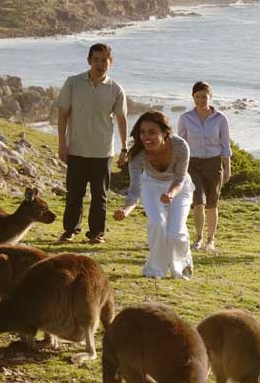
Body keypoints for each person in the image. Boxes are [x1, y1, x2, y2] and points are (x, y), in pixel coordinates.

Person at [55, 43, 128, 244]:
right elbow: (62, 114)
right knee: (74, 194)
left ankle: (97, 233)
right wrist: (62, 144)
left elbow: (122, 119)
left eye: (104, 60)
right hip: (76, 149)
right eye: (96, 59)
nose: (100, 63)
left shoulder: (116, 89)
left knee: (100, 196)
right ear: (89, 61)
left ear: (110, 63)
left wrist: (124, 148)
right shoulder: (73, 82)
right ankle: (70, 230)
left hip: (103, 152)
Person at [113, 111, 195, 279]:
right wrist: (126, 211)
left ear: (165, 133)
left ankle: (182, 269)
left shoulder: (180, 146)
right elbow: (135, 189)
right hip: (151, 185)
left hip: (178, 187)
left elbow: (179, 179)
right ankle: (155, 270)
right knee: (157, 224)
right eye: (142, 132)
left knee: (175, 232)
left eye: (152, 132)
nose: (146, 137)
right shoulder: (137, 155)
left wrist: (170, 194)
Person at [177, 81, 232, 252]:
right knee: (198, 202)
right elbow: (180, 144)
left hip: (213, 163)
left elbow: (225, 145)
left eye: (204, 97)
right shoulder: (185, 118)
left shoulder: (220, 118)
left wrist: (227, 168)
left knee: (212, 204)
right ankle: (199, 237)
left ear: (210, 97)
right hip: (192, 164)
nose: (201, 100)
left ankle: (211, 239)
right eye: (197, 97)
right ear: (193, 97)